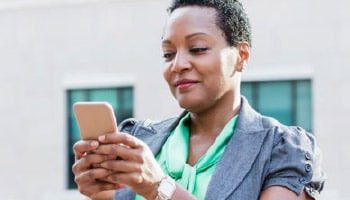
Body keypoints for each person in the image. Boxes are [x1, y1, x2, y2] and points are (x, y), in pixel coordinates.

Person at [72, 0, 326, 199]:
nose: (178, 65)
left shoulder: (283, 150)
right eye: (168, 54)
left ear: (241, 55)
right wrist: (102, 195)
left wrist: (159, 188)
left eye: (198, 49)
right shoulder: (139, 142)